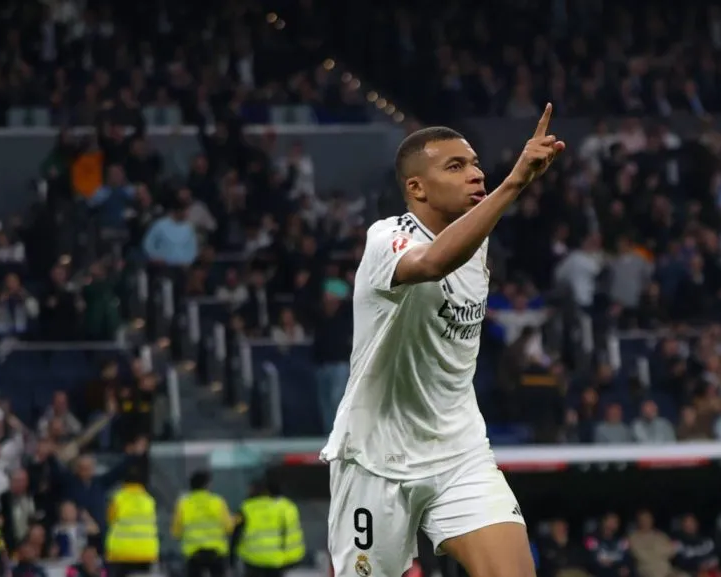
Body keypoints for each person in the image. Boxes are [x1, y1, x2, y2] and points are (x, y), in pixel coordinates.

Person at [322, 104, 565, 577]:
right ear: (416, 188)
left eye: (476, 163)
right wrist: (514, 182)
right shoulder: (386, 238)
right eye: (455, 166)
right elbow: (432, 263)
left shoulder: (479, 243)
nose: (475, 174)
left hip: (459, 454)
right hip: (376, 461)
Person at [232, 477, 305, 577]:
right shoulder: (284, 507)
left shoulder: (246, 508)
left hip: (252, 559)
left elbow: (236, 534)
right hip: (277, 560)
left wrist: (232, 558)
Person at [173, 470, 233, 577]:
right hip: (216, 552)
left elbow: (176, 532)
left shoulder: (183, 504)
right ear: (207, 485)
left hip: (193, 554)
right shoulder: (218, 502)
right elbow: (229, 528)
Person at [104, 467, 158, 577]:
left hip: (121, 552)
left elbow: (109, 519)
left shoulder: (118, 498)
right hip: (146, 552)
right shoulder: (149, 500)